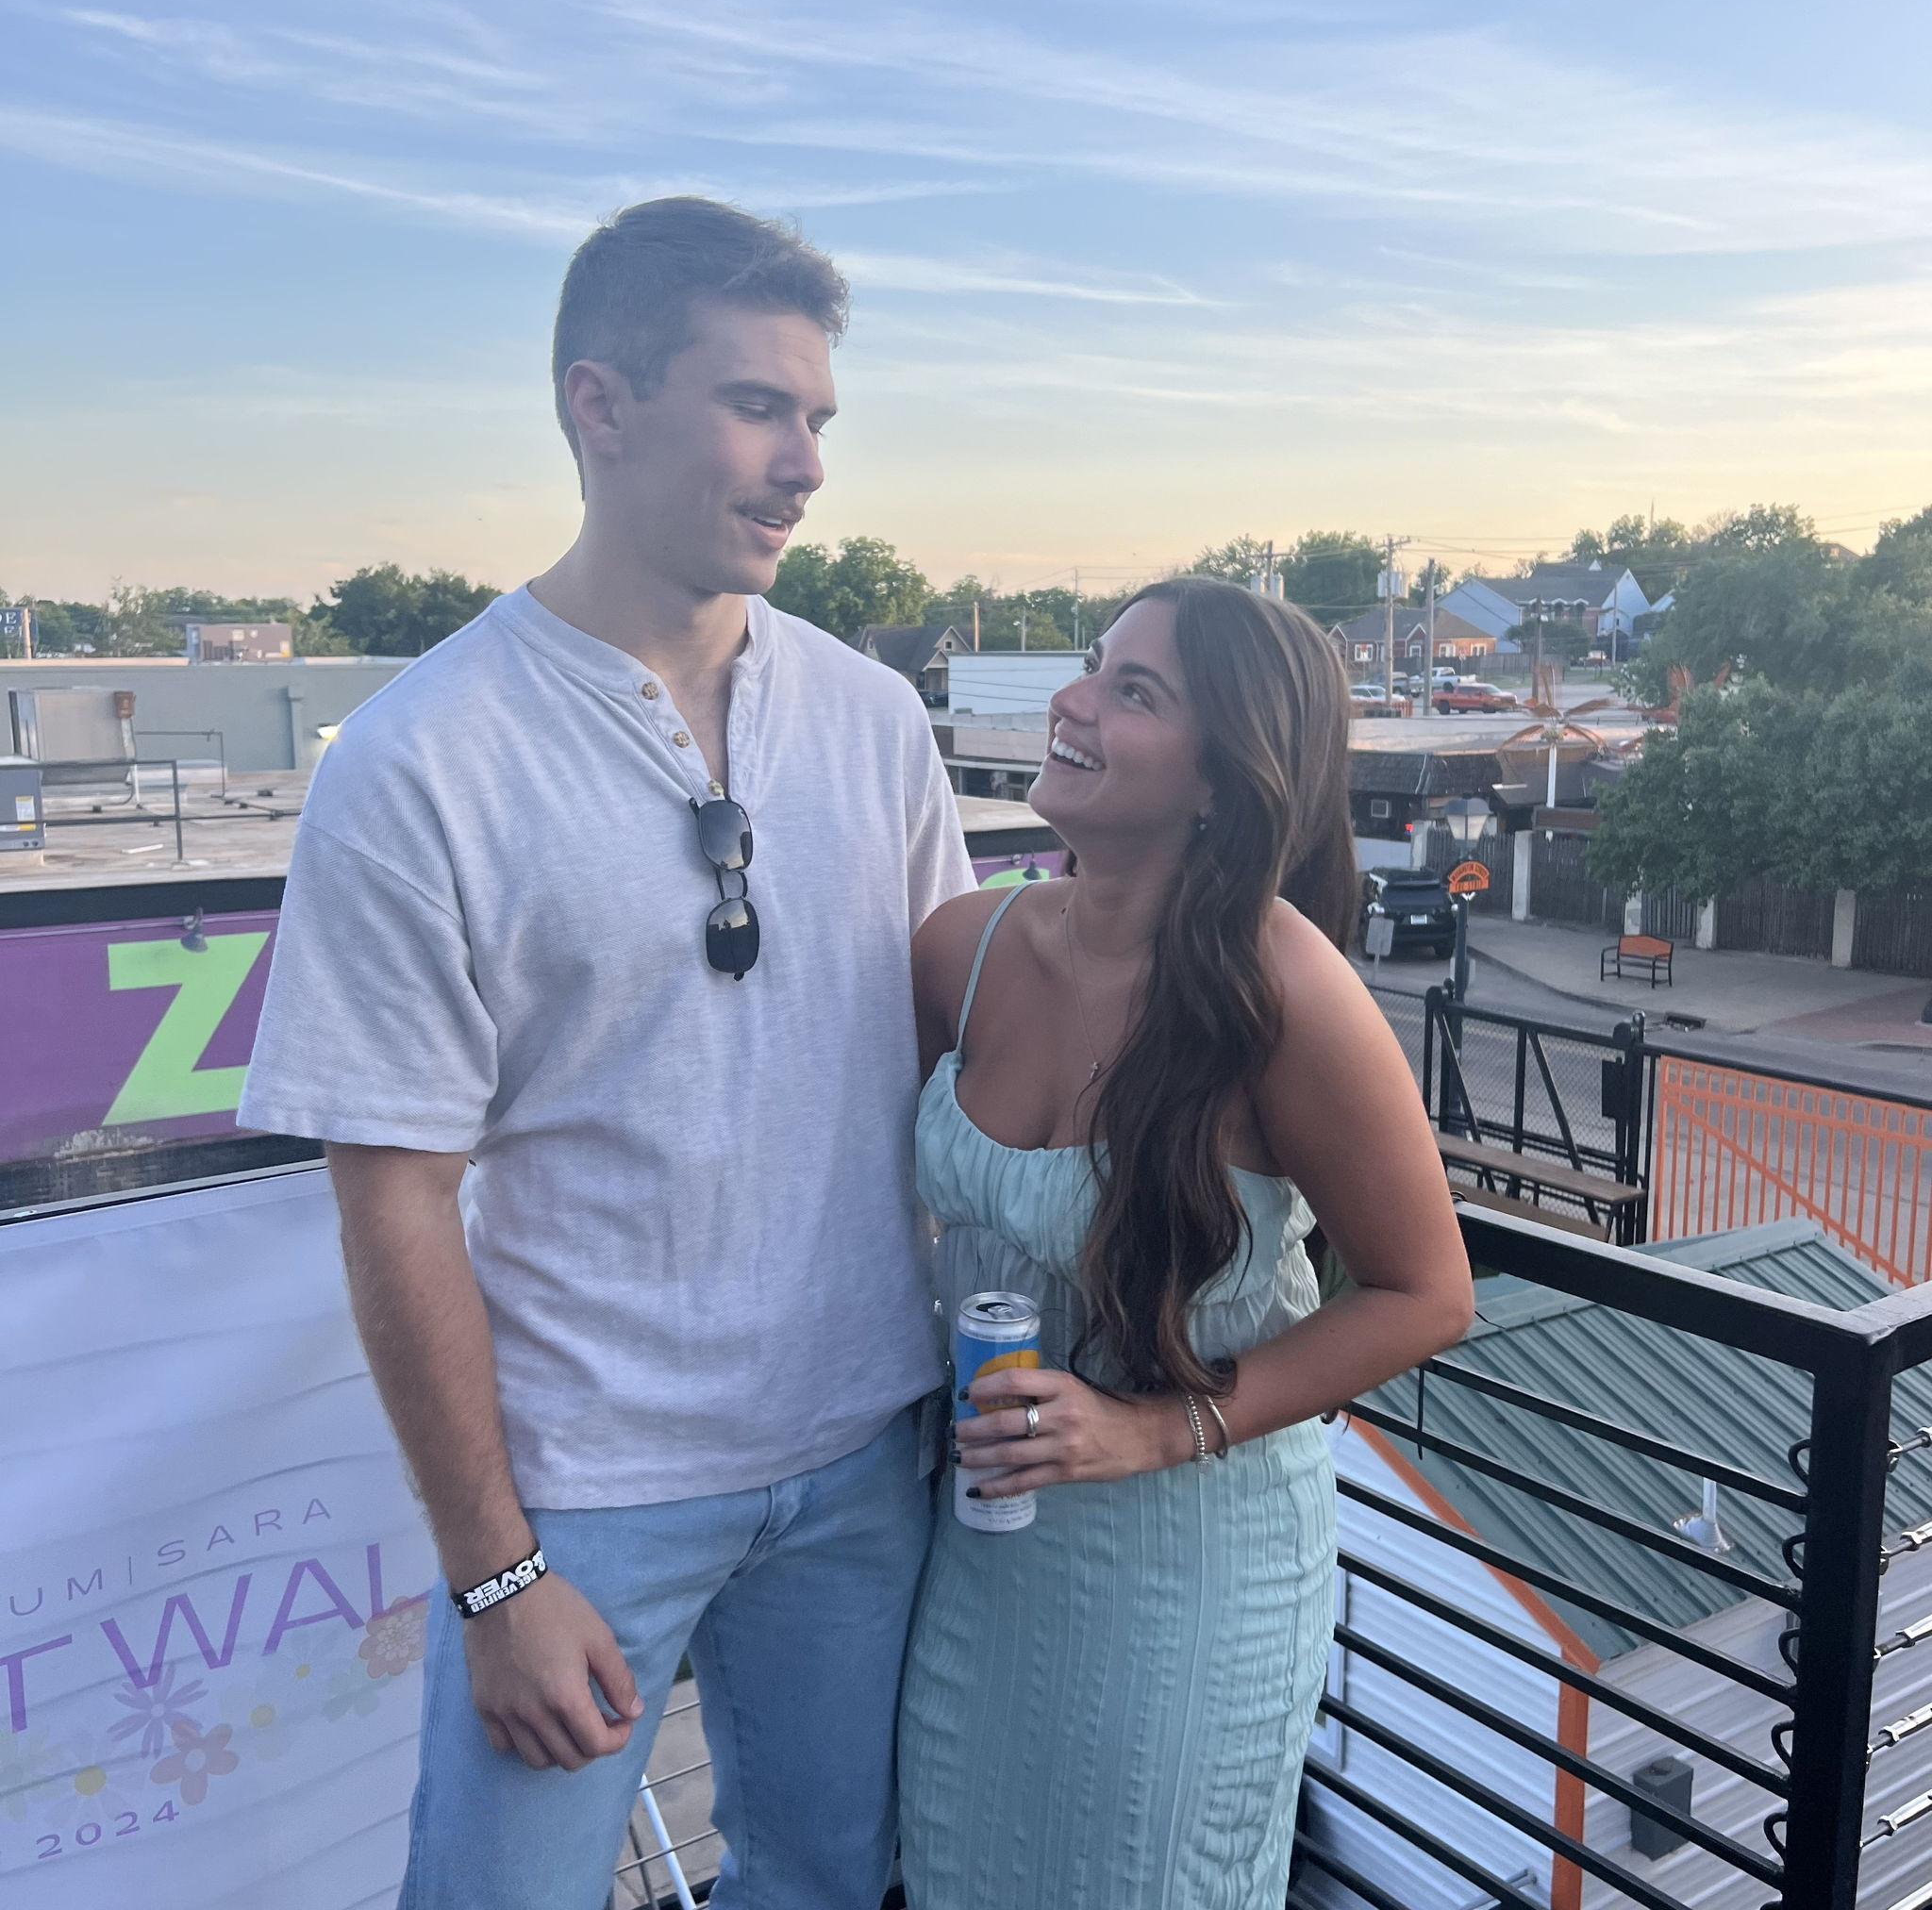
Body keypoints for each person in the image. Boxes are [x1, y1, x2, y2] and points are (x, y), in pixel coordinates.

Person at [238, 197, 974, 1910]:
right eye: (756, 407)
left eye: (818, 418)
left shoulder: (875, 720)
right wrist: (497, 1575)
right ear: (600, 404)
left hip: (867, 1455)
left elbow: (970, 1049)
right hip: (585, 1500)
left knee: (827, 1884)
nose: (806, 466)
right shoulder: (420, 761)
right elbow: (394, 1198)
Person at [896, 577, 1474, 1906]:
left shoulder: (1286, 995)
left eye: (1133, 691)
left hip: (1191, 1573)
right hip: (982, 1555)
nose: (1073, 701)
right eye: (1094, 666)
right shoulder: (960, 951)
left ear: (1222, 778)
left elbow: (1427, 1293)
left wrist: (1157, 1429)